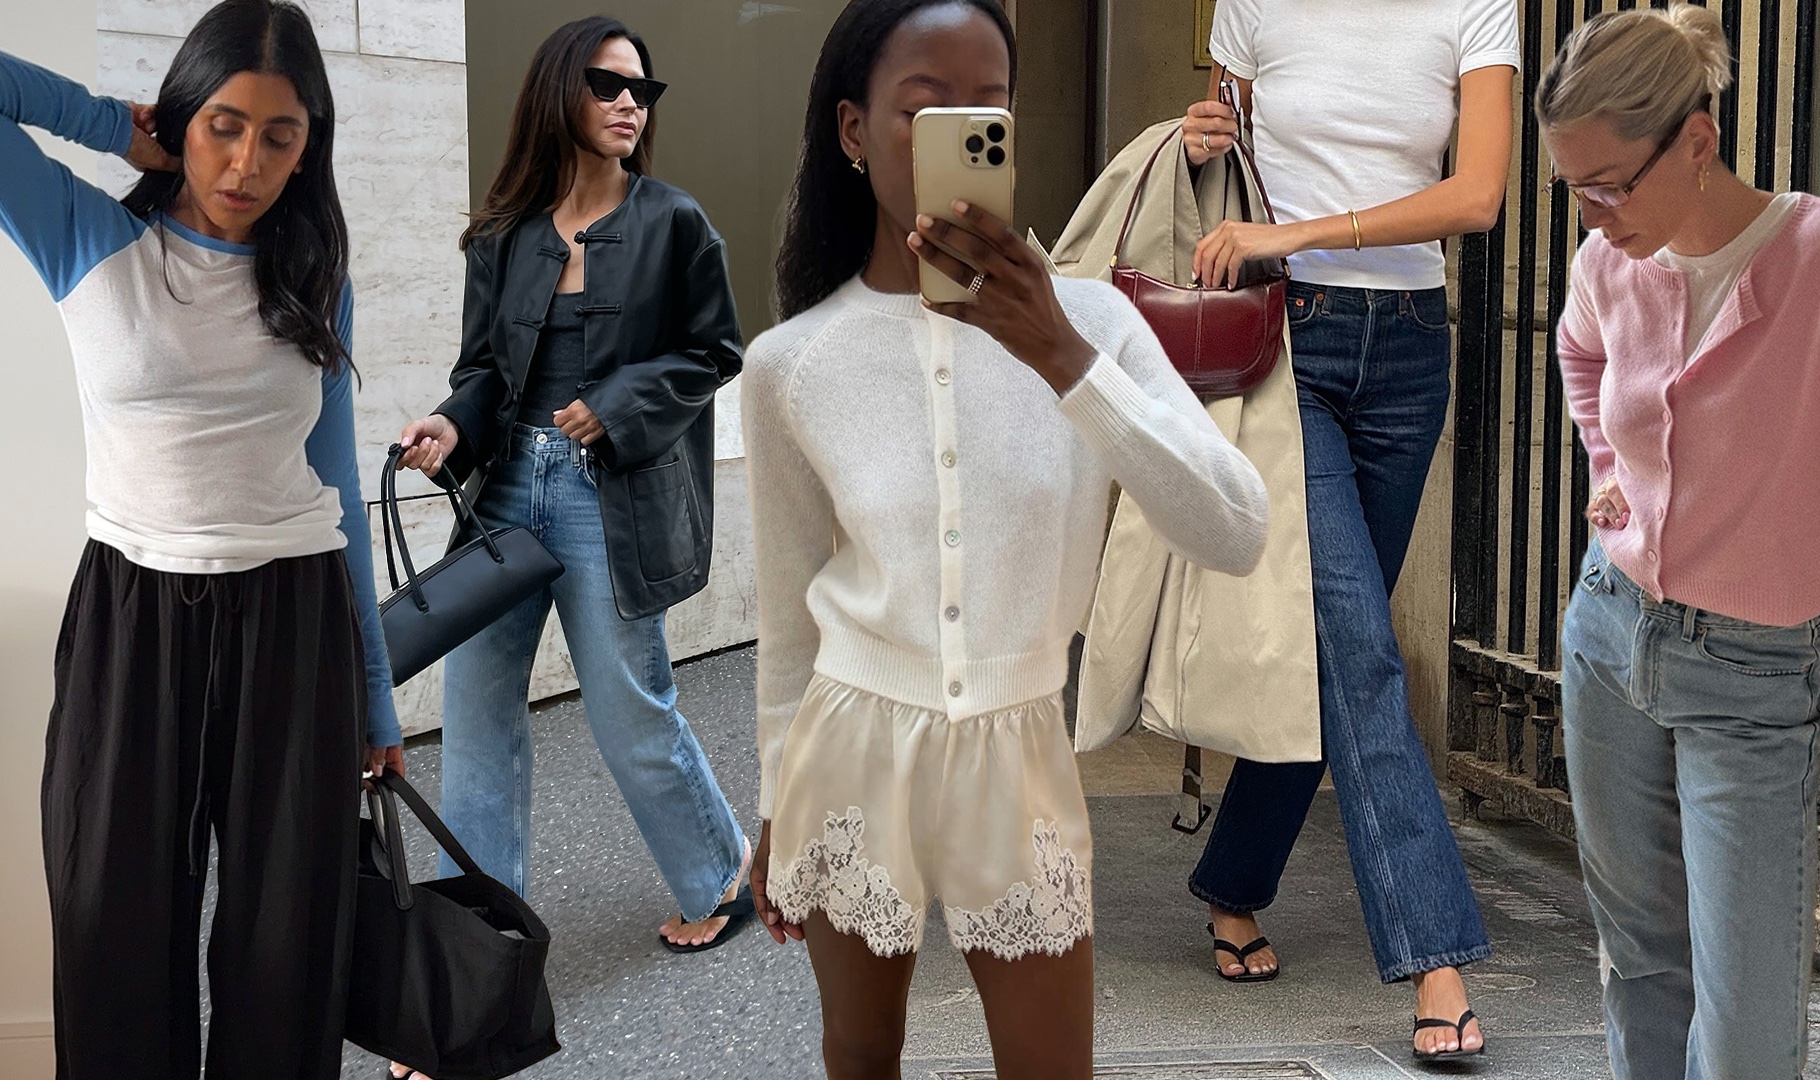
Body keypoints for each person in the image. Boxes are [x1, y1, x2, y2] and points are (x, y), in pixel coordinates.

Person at [741, 2, 1269, 1076]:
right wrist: (771, 805)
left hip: (1019, 750)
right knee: (859, 1052)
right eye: (923, 109)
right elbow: (790, 611)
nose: (960, 131)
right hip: (849, 748)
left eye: (988, 108)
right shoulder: (793, 363)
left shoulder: (1098, 326)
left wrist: (1064, 357)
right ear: (852, 130)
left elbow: (1237, 529)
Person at [0, 1, 401, 1075]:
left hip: (295, 619)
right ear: (185, 116)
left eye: (281, 136)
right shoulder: (92, 237)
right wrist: (108, 124)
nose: (247, 162)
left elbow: (335, 484)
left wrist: (375, 694)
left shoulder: (316, 274)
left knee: (287, 952)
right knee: (107, 937)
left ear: (309, 147)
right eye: (224, 124)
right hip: (130, 618)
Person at [1539, 9, 1820, 1079]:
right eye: (1574, 187)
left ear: (1697, 140)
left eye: (1611, 182)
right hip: (1609, 638)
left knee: (1747, 1033)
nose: (1594, 213)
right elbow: (1578, 354)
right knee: (1642, 969)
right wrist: (1610, 474)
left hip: (1754, 675)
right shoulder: (1609, 262)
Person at [1175, 0, 1517, 1060]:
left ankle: (1234, 877)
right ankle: (1436, 957)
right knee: (1361, 644)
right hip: (1289, 342)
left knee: (1341, 638)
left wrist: (1308, 229)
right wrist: (1199, 144)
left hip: (1412, 348)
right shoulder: (1252, 6)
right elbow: (1224, 183)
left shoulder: (1476, 4)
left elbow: (1479, 195)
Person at [393, 15, 750, 965]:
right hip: (506, 491)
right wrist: (451, 425)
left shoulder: (674, 222)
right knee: (475, 718)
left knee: (630, 709)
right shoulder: (507, 233)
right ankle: (483, 935)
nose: (630, 101)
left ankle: (721, 872)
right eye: (607, 83)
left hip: (606, 496)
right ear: (561, 92)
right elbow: (482, 370)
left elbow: (716, 352)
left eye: (642, 88)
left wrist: (619, 402)